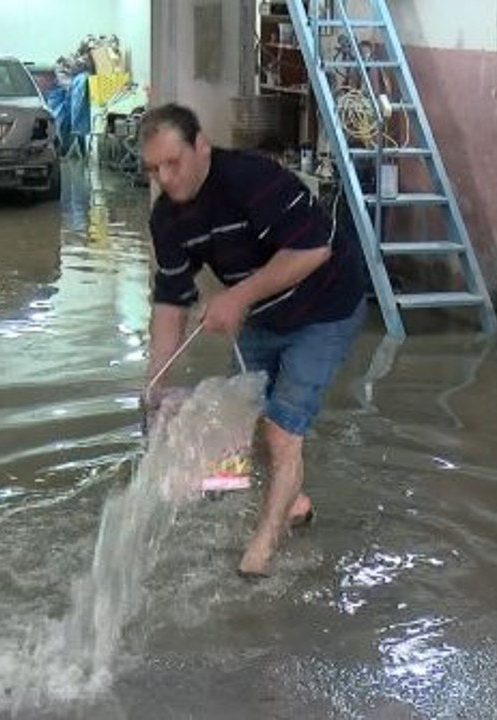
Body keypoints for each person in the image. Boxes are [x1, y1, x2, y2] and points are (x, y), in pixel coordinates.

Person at [139, 103, 366, 577]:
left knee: (282, 428)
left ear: (201, 147)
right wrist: (156, 382)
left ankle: (258, 555)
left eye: (173, 163)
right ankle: (294, 502)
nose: (166, 179)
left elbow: (315, 249)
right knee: (241, 417)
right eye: (154, 169)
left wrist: (237, 296)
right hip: (265, 313)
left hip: (327, 305)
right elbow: (171, 300)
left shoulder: (251, 178)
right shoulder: (167, 219)